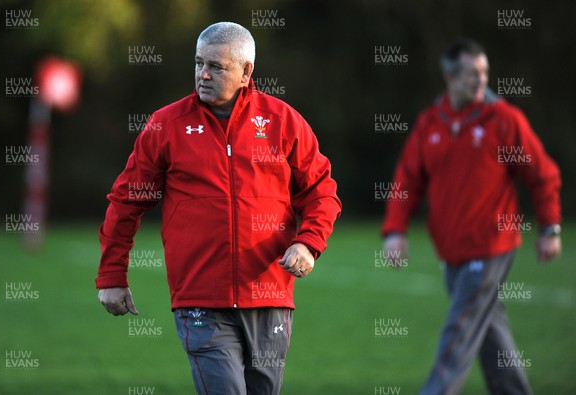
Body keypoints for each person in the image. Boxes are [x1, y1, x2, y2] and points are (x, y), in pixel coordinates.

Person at [95, 22, 341, 394]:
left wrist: (308, 243)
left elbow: (322, 191)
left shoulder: (283, 122)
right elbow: (127, 200)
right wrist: (112, 275)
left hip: (269, 295)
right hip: (199, 298)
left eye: (217, 66)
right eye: (198, 63)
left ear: (246, 72)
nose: (203, 74)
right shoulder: (166, 125)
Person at [381, 38, 561, 395]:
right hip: (452, 254)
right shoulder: (430, 123)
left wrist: (550, 226)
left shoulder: (505, 120)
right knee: (492, 335)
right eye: (471, 74)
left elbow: (542, 174)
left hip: (492, 246)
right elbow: (407, 180)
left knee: (459, 331)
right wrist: (395, 230)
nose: (481, 81)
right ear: (449, 75)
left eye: (485, 73)